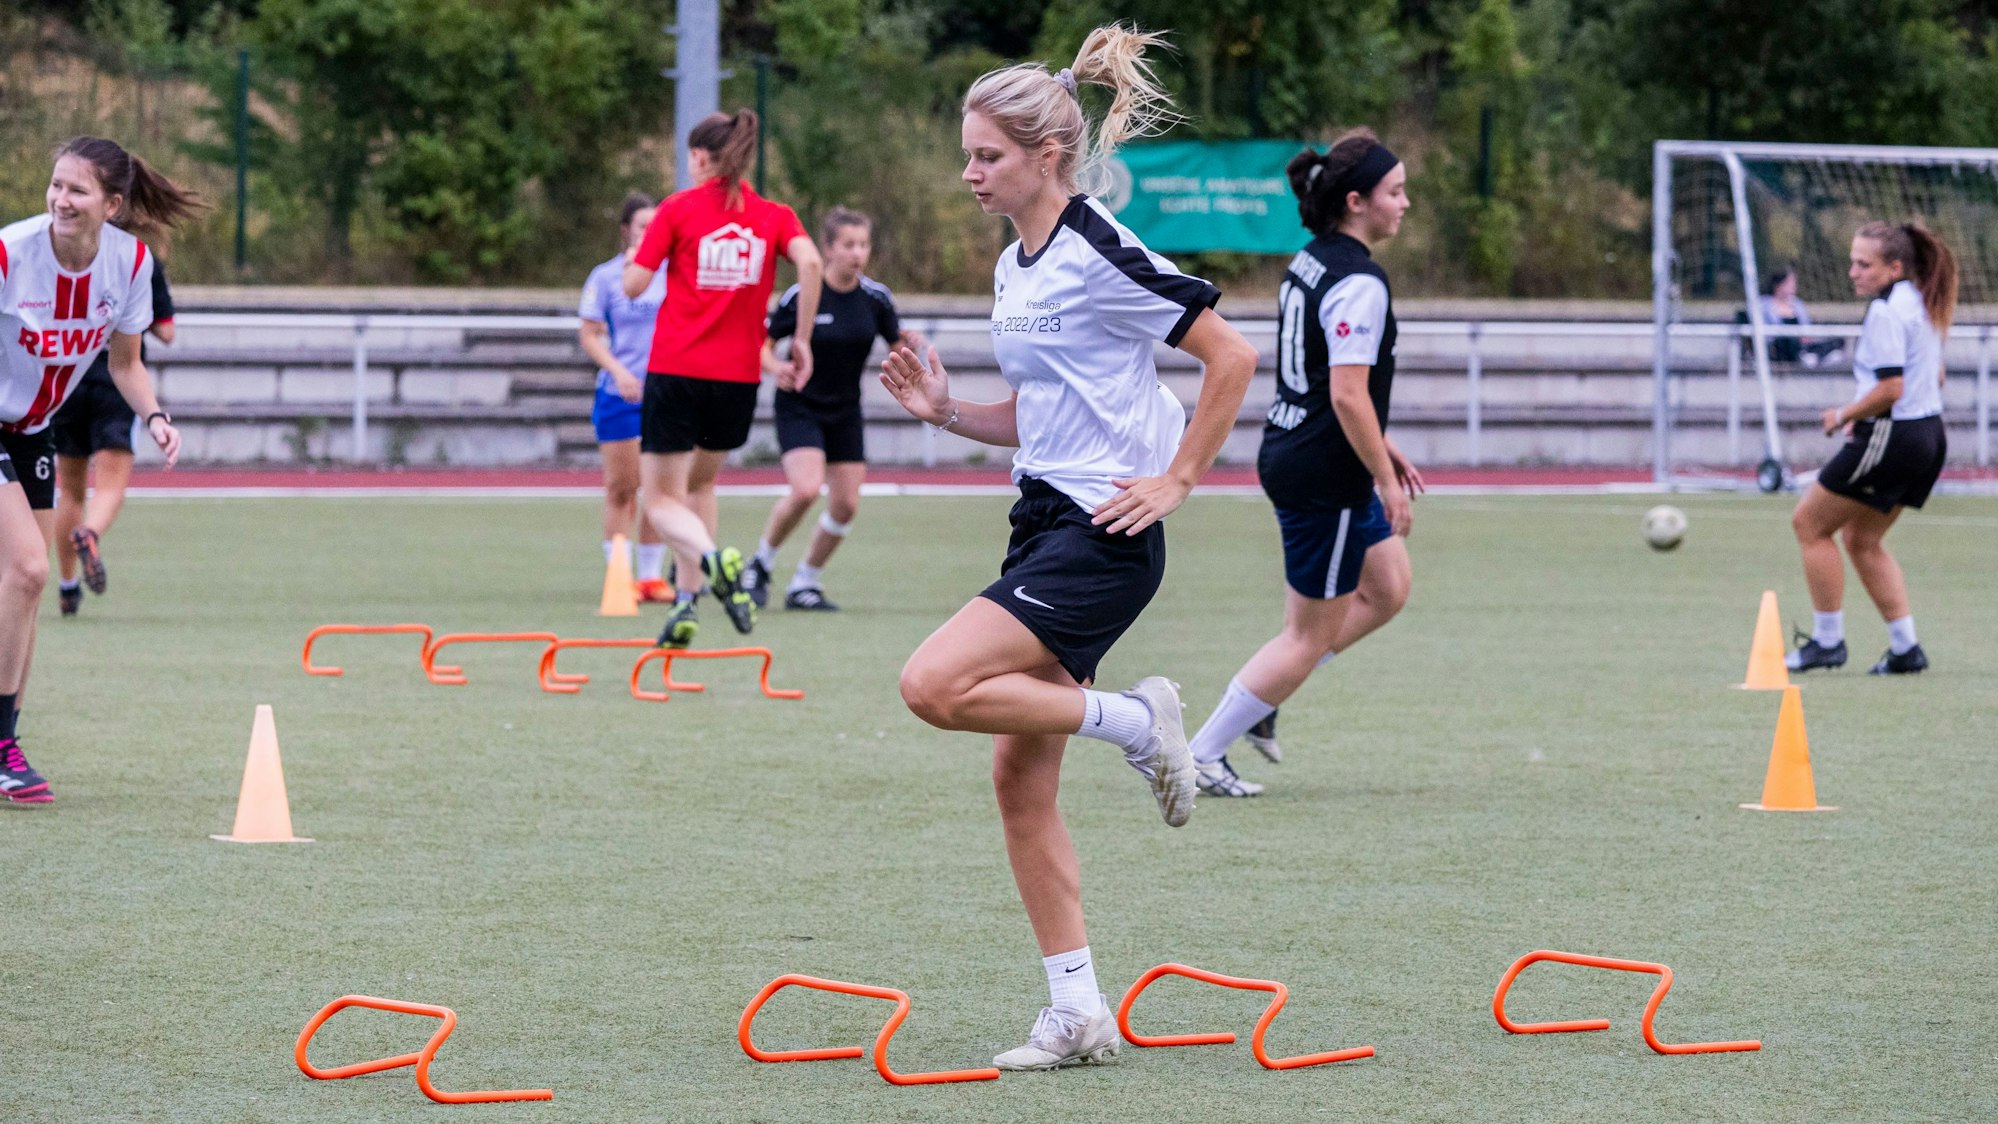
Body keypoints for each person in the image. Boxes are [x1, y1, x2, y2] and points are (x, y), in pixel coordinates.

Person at [879, 25, 1258, 1072]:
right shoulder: (1016, 263)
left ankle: (1138, 719)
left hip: (1103, 535)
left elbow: (1230, 354)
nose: (970, 173)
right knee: (1019, 782)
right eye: (967, 154)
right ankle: (1080, 1010)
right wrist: (948, 412)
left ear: (1047, 156)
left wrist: (1180, 477)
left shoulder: (1097, 246)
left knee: (932, 683)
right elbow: (1043, 412)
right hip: (1041, 521)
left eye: (987, 156)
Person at [1186, 128, 1420, 799]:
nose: (1405, 203)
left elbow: (1328, 380)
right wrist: (1383, 478)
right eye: (1395, 192)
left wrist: (1382, 447)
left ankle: (1265, 697)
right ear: (1356, 202)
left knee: (1389, 587)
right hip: (1326, 471)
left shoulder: (1313, 259)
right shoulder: (1359, 282)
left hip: (1306, 448)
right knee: (1304, 637)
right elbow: (1345, 392)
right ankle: (1201, 754)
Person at [1, 136, 194, 804]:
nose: (60, 199)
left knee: (24, 589)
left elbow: (126, 364)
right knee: (30, 568)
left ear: (111, 205)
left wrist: (156, 417)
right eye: (55, 185)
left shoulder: (130, 263)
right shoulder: (10, 253)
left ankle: (6, 743)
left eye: (76, 190)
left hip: (32, 429)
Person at [623, 109, 823, 649]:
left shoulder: (677, 209)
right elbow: (810, 265)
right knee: (700, 486)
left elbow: (635, 286)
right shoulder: (773, 216)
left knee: (660, 500)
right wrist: (801, 338)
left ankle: (712, 559)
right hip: (736, 381)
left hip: (676, 372)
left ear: (699, 157)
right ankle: (687, 601)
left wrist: (634, 261)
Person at [1786, 221, 1956, 676]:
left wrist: (1844, 415)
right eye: (1853, 262)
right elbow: (1935, 376)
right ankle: (1905, 649)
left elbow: (1891, 389)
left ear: (1894, 267)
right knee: (1861, 540)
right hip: (1929, 435)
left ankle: (1827, 642)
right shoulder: (1920, 300)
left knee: (1809, 524)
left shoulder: (1885, 312)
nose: (1853, 273)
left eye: (1864, 264)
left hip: (1894, 435)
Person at [746, 207, 912, 611]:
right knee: (805, 489)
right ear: (828, 249)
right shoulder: (802, 295)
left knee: (845, 505)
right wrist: (777, 368)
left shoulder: (876, 298)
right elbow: (762, 345)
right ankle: (760, 564)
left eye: (863, 244)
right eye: (848, 245)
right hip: (800, 404)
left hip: (845, 410)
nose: (858, 253)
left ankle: (805, 582)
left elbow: (897, 346)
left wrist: (910, 348)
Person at [48, 251, 175, 616]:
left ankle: (68, 587)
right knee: (110, 486)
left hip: (69, 378)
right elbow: (166, 331)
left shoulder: (66, 254)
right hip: (117, 384)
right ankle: (89, 533)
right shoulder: (139, 261)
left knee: (70, 490)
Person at [578, 193, 672, 602]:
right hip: (620, 396)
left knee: (660, 489)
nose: (650, 233)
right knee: (622, 487)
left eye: (656, 226)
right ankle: (620, 577)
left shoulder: (673, 273)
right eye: (642, 226)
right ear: (626, 230)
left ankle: (651, 577)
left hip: (666, 394)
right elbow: (589, 334)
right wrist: (619, 372)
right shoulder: (606, 277)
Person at [1756, 267, 1842, 366]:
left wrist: (1805, 336)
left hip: (1801, 344)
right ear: (1778, 285)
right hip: (1779, 346)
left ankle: (1811, 356)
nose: (1793, 286)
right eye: (1790, 282)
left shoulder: (1797, 304)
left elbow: (1806, 327)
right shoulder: (1764, 305)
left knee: (1836, 342)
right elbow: (1766, 333)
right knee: (1788, 341)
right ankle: (1810, 357)